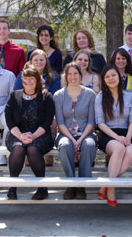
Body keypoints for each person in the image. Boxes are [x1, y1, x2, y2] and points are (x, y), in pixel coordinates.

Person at [5, 66, 55, 200]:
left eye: (31, 80)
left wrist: (33, 136)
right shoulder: (14, 96)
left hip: (41, 134)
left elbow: (47, 121)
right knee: (18, 148)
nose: (28, 83)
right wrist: (21, 136)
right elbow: (9, 120)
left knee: (32, 149)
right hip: (17, 133)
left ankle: (42, 187)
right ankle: (12, 187)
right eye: (25, 80)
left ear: (38, 80)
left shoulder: (46, 97)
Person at [95, 65, 132, 207]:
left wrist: (128, 138)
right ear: (104, 80)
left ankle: (107, 184)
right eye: (107, 77)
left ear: (119, 77)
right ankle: (111, 189)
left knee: (130, 152)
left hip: (126, 134)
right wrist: (117, 138)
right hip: (107, 134)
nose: (111, 78)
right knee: (119, 149)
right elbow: (100, 123)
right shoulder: (100, 97)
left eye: (113, 75)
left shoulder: (129, 95)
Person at [54, 63, 97, 200]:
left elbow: (91, 122)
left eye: (75, 73)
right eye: (69, 74)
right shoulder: (58, 95)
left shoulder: (90, 94)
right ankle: (71, 183)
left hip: (86, 133)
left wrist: (80, 138)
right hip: (65, 134)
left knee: (88, 145)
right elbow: (60, 123)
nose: (73, 77)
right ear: (66, 77)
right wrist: (73, 140)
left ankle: (82, 185)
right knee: (65, 145)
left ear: (80, 75)